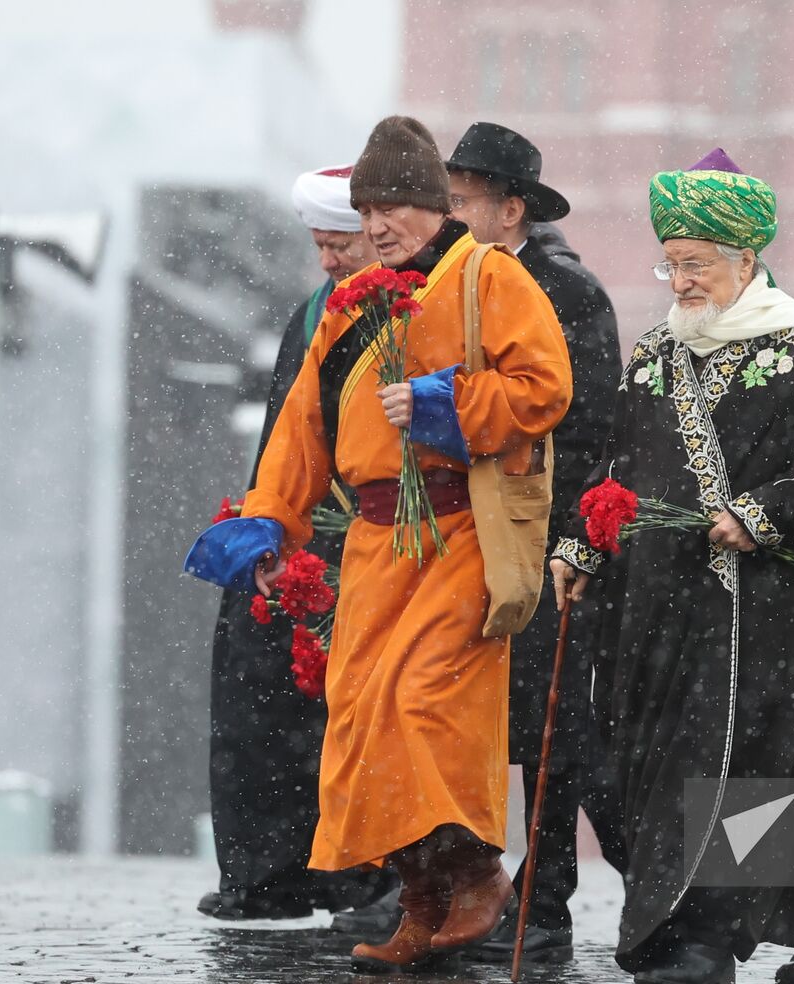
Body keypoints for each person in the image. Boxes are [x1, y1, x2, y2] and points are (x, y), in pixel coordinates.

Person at [184, 115, 572, 972]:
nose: (379, 223)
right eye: (367, 209)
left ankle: (476, 877)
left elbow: (545, 387)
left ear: (436, 206)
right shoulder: (355, 300)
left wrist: (448, 407)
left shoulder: (486, 277)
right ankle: (423, 899)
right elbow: (302, 427)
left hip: (457, 532)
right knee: (361, 725)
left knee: (422, 705)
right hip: (372, 543)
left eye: (395, 204)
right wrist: (268, 518)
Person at [549, 149, 794, 984]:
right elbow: (616, 472)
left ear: (747, 259)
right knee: (655, 764)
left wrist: (763, 512)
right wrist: (581, 543)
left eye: (696, 264)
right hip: (659, 612)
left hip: (773, 616)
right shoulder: (652, 358)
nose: (679, 282)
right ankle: (727, 922)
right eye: (670, 264)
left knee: (734, 768)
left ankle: (699, 940)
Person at [445, 120, 626, 964]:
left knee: (552, 726)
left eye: (463, 201)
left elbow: (585, 425)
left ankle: (547, 899)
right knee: (509, 725)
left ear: (509, 208)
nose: (450, 216)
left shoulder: (565, 289)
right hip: (482, 539)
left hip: (549, 543)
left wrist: (566, 542)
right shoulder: (462, 277)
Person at [197, 164, 393, 923]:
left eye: (340, 244)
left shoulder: (398, 313)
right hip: (290, 531)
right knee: (256, 694)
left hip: (358, 538)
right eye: (320, 245)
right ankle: (267, 870)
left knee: (339, 713)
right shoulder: (313, 312)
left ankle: (353, 874)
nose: (329, 261)